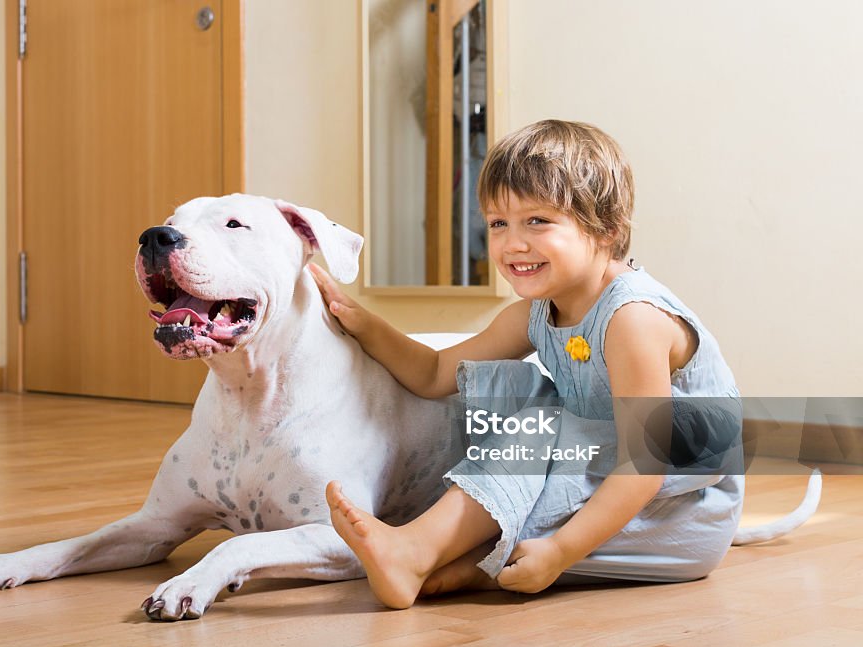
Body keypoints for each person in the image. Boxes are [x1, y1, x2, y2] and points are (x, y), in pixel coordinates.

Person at [308, 119, 744, 609]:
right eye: (498, 223)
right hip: (607, 473)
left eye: (537, 221)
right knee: (533, 406)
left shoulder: (632, 320)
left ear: (607, 230)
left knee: (547, 423)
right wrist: (362, 322)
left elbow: (644, 466)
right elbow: (433, 374)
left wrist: (561, 550)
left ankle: (432, 553)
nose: (512, 244)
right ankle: (445, 561)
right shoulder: (534, 314)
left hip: (680, 512)